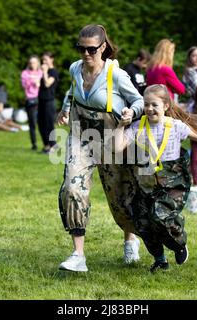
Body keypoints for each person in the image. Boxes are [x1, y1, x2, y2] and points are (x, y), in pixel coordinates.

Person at [56, 24, 145, 272]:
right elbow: (71, 91)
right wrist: (64, 109)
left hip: (110, 138)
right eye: (81, 48)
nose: (85, 54)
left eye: (91, 49)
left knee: (120, 197)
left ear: (103, 48)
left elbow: (138, 100)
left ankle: (130, 238)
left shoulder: (116, 75)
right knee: (72, 188)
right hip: (80, 135)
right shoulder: (75, 68)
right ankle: (78, 255)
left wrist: (131, 112)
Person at [113, 84, 197, 272]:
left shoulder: (175, 126)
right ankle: (159, 259)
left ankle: (179, 244)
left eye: (154, 105)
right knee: (142, 221)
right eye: (146, 105)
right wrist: (121, 126)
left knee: (160, 214)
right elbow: (116, 148)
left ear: (165, 106)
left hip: (173, 182)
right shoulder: (137, 126)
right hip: (147, 182)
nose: (149, 109)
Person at [38, 52, 59, 154]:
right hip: (41, 100)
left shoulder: (53, 72)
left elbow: (47, 84)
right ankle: (46, 145)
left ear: (52, 59)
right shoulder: (43, 72)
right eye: (43, 60)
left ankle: (53, 145)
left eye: (46, 59)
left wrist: (45, 72)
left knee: (48, 124)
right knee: (41, 123)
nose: (43, 62)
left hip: (49, 101)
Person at [21, 55, 43, 150]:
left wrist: (39, 83)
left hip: (41, 99)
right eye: (30, 62)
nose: (32, 64)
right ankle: (34, 144)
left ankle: (46, 144)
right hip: (30, 99)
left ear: (37, 63)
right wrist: (32, 82)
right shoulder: (25, 73)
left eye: (34, 62)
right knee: (32, 123)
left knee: (42, 122)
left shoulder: (41, 72)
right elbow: (23, 85)